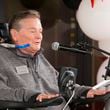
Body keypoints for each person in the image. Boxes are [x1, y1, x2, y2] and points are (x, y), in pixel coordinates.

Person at [0, 10, 108, 110]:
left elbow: (62, 86)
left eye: (40, 31)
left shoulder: (38, 57)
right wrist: (32, 96)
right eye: (32, 31)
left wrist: (85, 91)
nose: (39, 37)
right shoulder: (2, 58)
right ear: (15, 34)